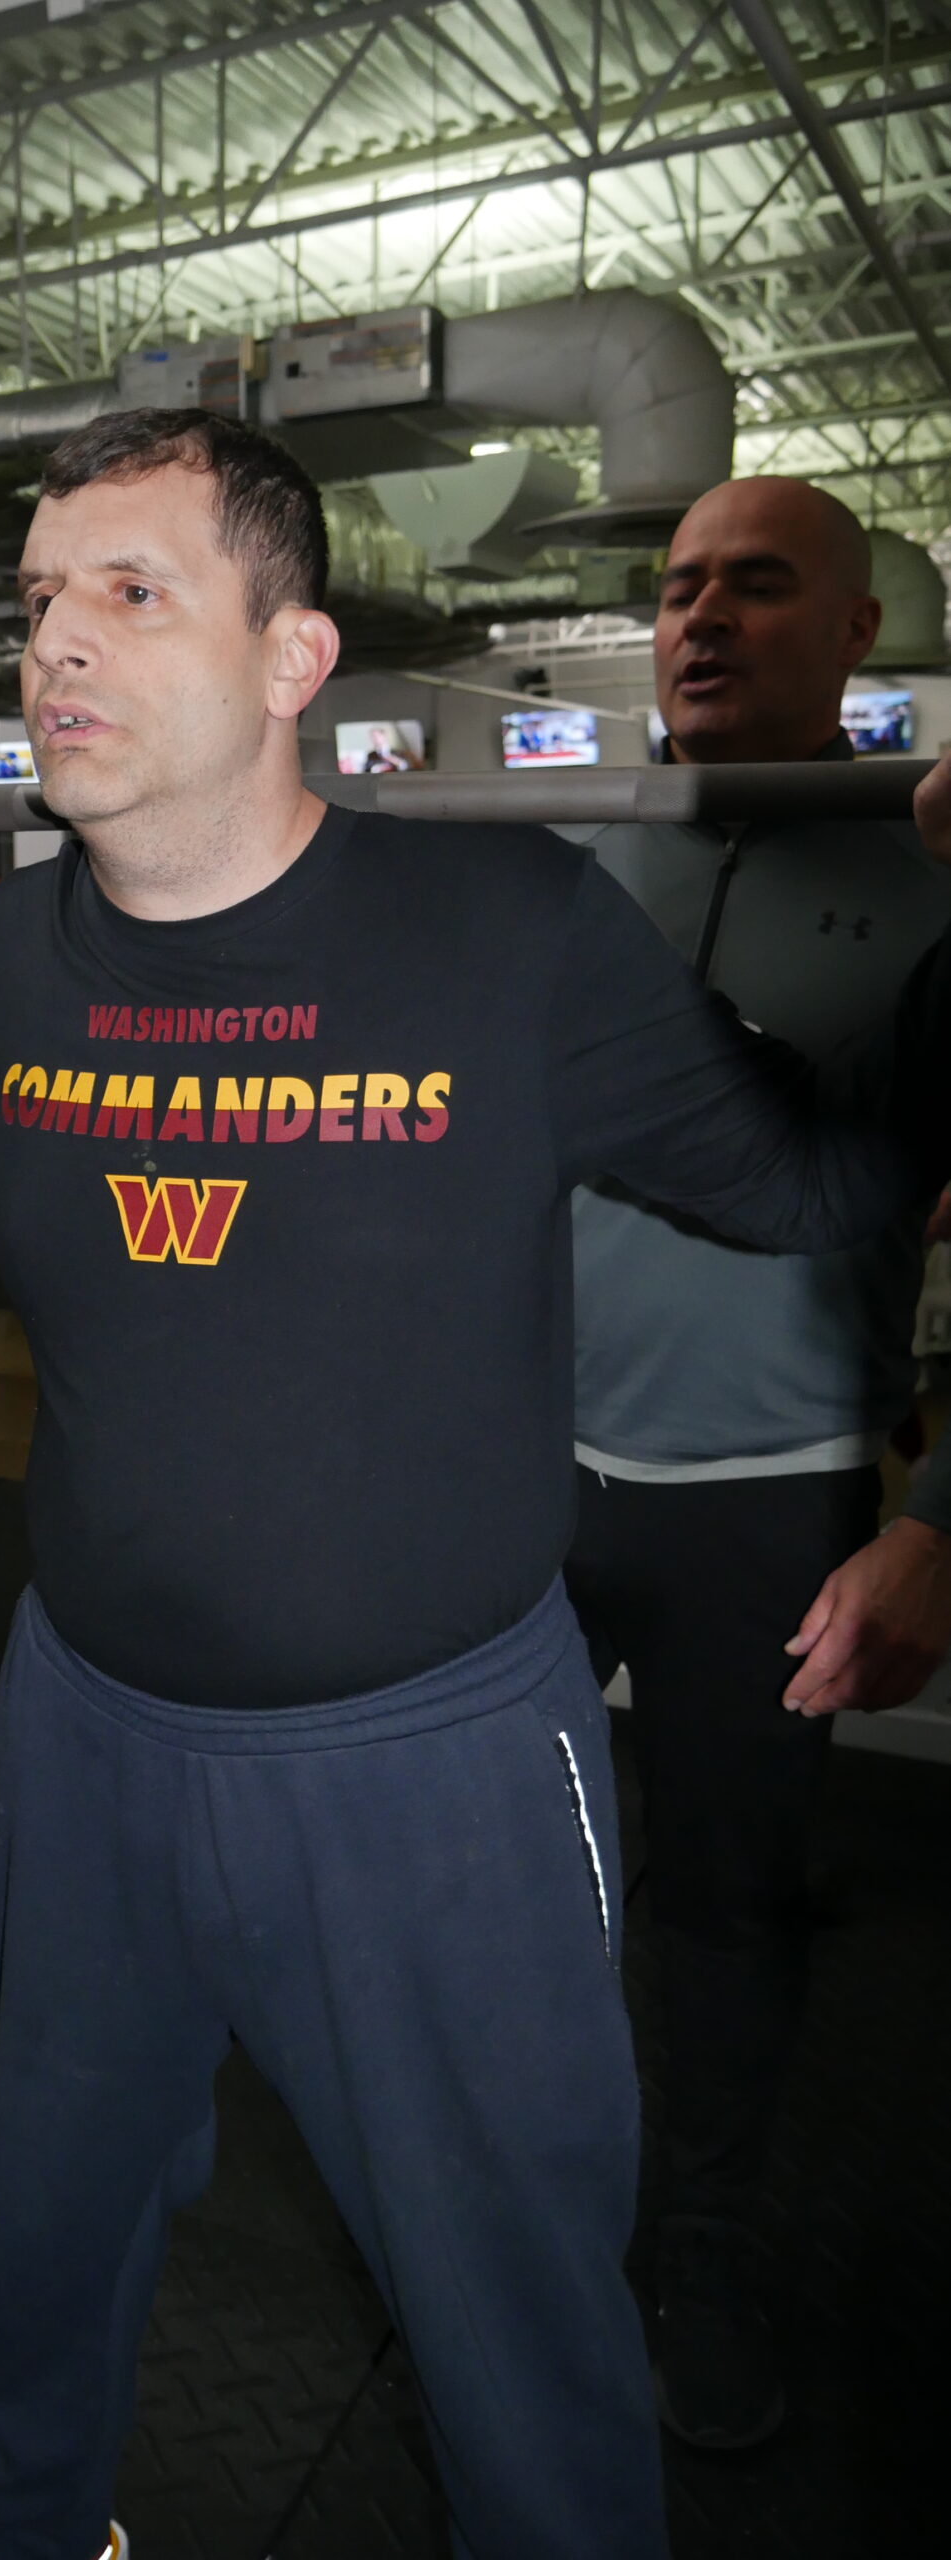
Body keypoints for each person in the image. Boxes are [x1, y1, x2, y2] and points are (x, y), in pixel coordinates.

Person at [0, 411, 951, 2560]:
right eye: (34, 606)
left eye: (130, 592)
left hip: (431, 1770)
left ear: (295, 658)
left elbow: (830, 1176)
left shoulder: (512, 937)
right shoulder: (19, 953)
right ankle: (25, 2518)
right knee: (58, 2194)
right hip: (91, 1733)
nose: (54, 649)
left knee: (509, 2296)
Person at [558, 478, 951, 2451]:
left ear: (857, 631)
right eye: (676, 588)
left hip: (770, 1492)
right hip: (530, 1474)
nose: (700, 619)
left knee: (716, 1908)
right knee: (492, 1878)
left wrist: (935, 1524)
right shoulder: (576, 856)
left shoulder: (938, 877)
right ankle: (530, 2209)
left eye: (756, 584)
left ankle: (696, 2243)